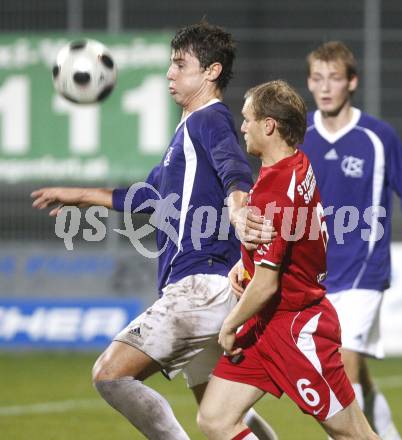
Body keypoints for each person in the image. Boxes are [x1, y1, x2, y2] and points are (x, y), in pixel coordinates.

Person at [31, 22, 277, 440]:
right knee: (221, 417)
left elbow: (233, 165)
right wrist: (80, 195)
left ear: (211, 72)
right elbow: (148, 198)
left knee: (110, 375)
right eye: (170, 64)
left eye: (181, 65)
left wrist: (239, 204)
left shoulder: (209, 120)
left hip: (200, 287)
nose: (170, 73)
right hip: (215, 290)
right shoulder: (185, 133)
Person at [197, 80, 379, 440]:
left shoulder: (273, 191)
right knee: (215, 419)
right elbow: (287, 240)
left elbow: (267, 284)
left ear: (269, 126)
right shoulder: (296, 162)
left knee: (355, 436)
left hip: (298, 329)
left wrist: (229, 325)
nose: (243, 126)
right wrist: (246, 262)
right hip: (267, 326)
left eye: (248, 119)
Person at [301, 41, 402, 439]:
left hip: (364, 273)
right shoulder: (301, 136)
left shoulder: (377, 137)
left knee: (340, 371)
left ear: (352, 82)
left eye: (334, 79)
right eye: (317, 78)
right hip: (315, 277)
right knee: (349, 372)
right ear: (309, 83)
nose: (325, 87)